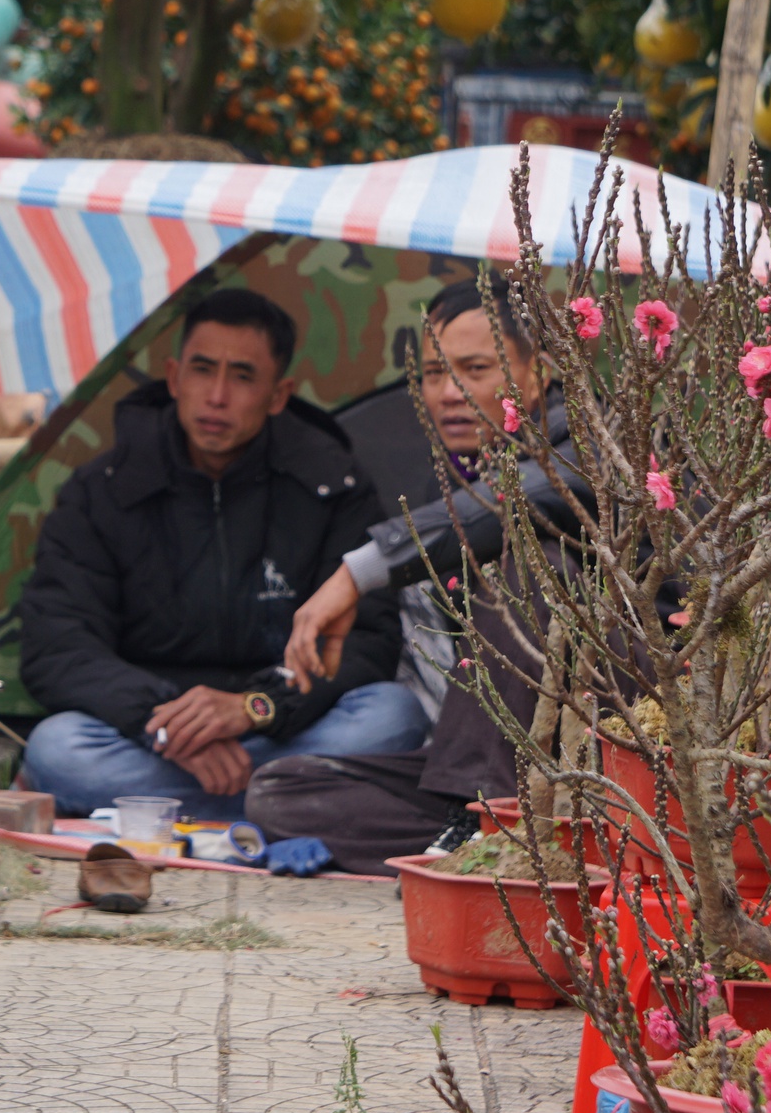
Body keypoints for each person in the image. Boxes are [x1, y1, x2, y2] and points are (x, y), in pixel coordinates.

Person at [16, 288, 429, 820]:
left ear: (278, 395)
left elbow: (366, 642)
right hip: (154, 733)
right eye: (202, 370)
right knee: (56, 748)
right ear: (173, 378)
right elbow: (58, 644)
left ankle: (188, 805)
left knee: (393, 717)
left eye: (241, 377)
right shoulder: (104, 490)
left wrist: (255, 709)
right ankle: (290, 800)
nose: (215, 396)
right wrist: (171, 726)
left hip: (280, 721)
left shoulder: (330, 484)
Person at [243, 276, 601, 874]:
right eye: (434, 374)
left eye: (475, 369)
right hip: (482, 764)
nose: (449, 393)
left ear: (538, 372)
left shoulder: (592, 444)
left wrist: (358, 573)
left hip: (608, 754)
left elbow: (516, 504)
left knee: (530, 569)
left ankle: (484, 818)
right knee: (282, 793)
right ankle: (488, 834)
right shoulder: (447, 484)